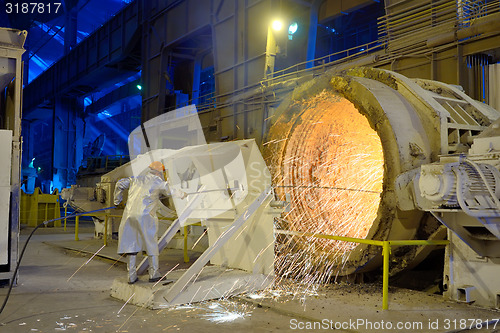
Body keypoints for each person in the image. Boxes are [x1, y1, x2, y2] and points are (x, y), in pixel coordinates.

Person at [113, 161, 186, 284]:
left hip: (129, 216)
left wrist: (117, 201)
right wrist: (183, 194)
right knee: (151, 243)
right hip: (146, 217)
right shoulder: (157, 181)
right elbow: (170, 191)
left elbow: (120, 184)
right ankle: (154, 273)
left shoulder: (135, 178)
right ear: (158, 172)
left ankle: (131, 276)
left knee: (131, 244)